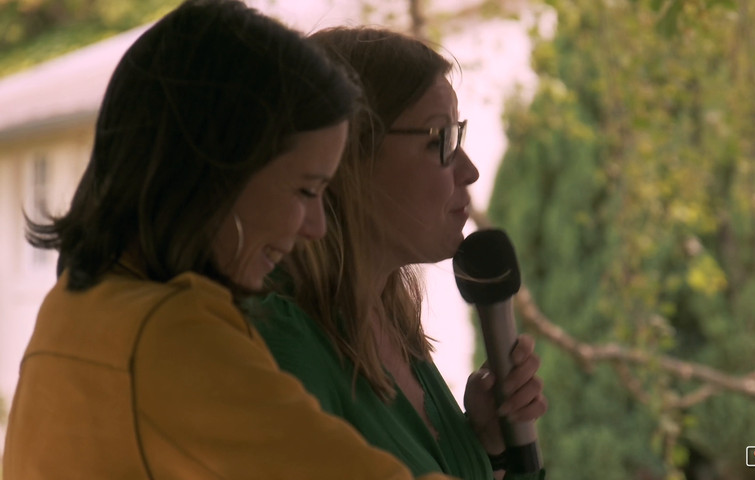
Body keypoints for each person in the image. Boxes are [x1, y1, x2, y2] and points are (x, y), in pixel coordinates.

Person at [2, 3, 455, 479]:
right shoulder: (170, 334)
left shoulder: (80, 303)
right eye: (305, 190)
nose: (316, 226)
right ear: (220, 174)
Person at [251, 27, 547, 480]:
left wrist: (488, 447)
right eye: (441, 140)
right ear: (345, 156)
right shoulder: (281, 347)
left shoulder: (392, 323)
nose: (469, 170)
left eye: (460, 136)